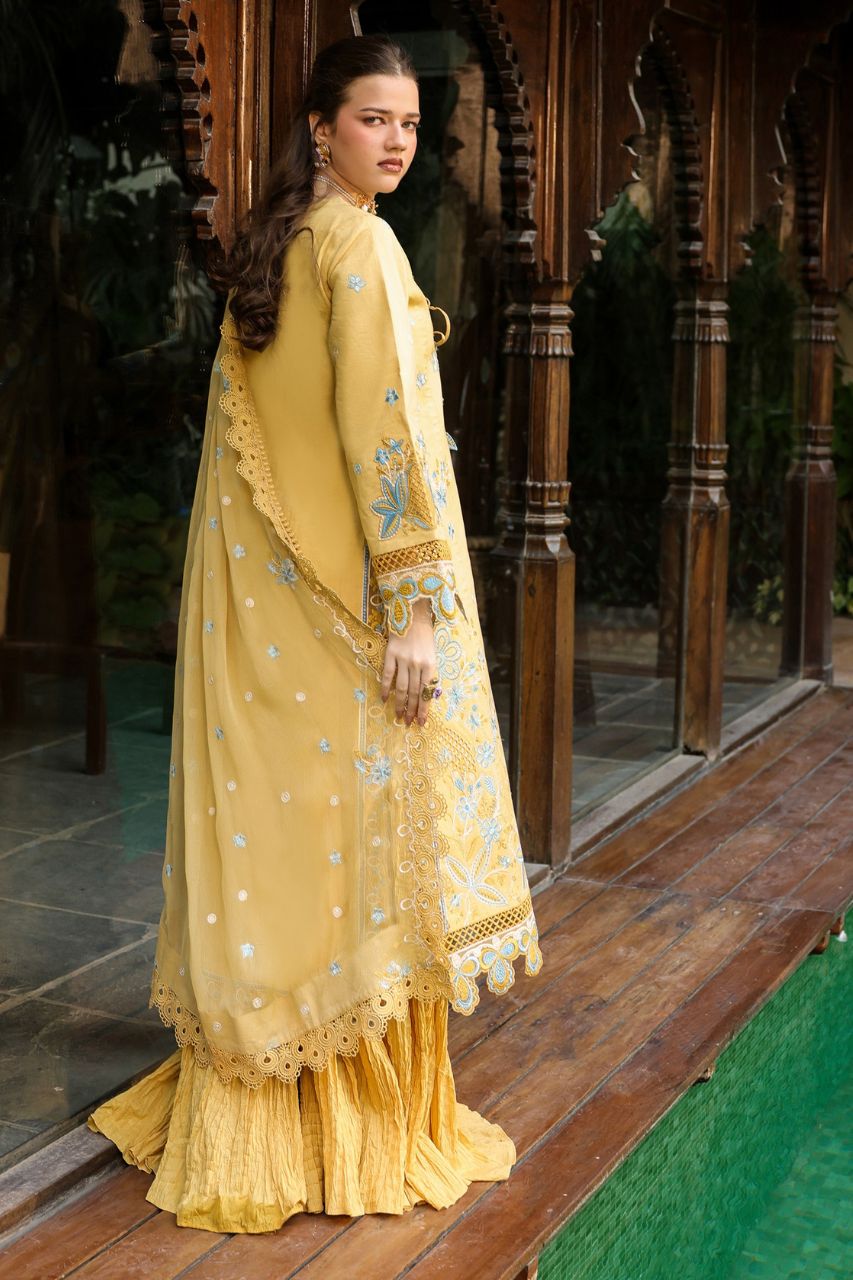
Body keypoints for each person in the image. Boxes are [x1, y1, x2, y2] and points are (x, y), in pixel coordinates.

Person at [88, 32, 544, 1234]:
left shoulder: (280, 243)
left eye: (409, 123)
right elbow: (381, 437)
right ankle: (352, 1132)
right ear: (320, 127)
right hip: (348, 613)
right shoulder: (359, 247)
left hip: (272, 613)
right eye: (372, 118)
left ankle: (265, 1112)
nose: (396, 141)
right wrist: (414, 609)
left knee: (287, 849)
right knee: (355, 858)